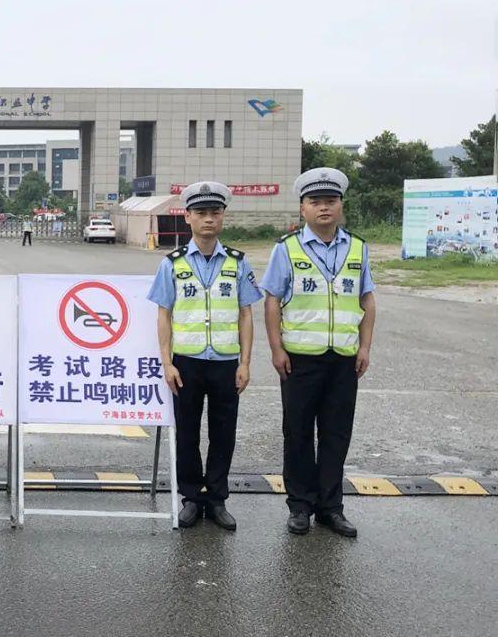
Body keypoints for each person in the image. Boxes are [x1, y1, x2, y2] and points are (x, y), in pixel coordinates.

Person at [259, 167, 376, 538]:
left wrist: (365, 346)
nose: (324, 208)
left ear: (341, 205)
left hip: (343, 357)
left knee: (336, 433)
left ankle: (331, 507)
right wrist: (276, 349)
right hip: (299, 358)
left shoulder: (358, 248)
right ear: (303, 209)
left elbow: (367, 299)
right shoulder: (287, 248)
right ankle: (299, 506)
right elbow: (273, 300)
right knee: (297, 433)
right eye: (315, 202)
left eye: (330, 201)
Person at [146, 181, 263, 530]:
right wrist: (167, 363)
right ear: (188, 218)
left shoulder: (238, 263)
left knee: (223, 433)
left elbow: (246, 313)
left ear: (223, 216)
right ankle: (191, 499)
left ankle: (217, 499)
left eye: (215, 212)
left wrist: (245, 362)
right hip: (187, 362)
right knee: (187, 433)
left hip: (226, 362)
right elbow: (163, 314)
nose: (208, 219)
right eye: (201, 213)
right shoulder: (172, 264)